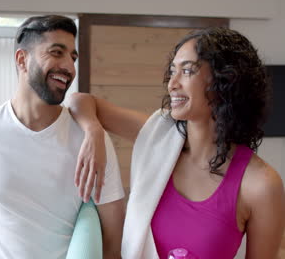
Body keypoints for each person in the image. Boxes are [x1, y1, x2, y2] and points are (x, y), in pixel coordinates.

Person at [0, 15, 126, 259]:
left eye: (72, 57)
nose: (69, 67)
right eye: (57, 52)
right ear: (22, 59)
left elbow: (113, 239)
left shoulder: (92, 142)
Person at [69, 27, 285, 258]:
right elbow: (79, 101)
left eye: (187, 71)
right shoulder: (158, 137)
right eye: (172, 71)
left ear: (226, 81)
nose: (172, 83)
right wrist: (94, 133)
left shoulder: (261, 185)